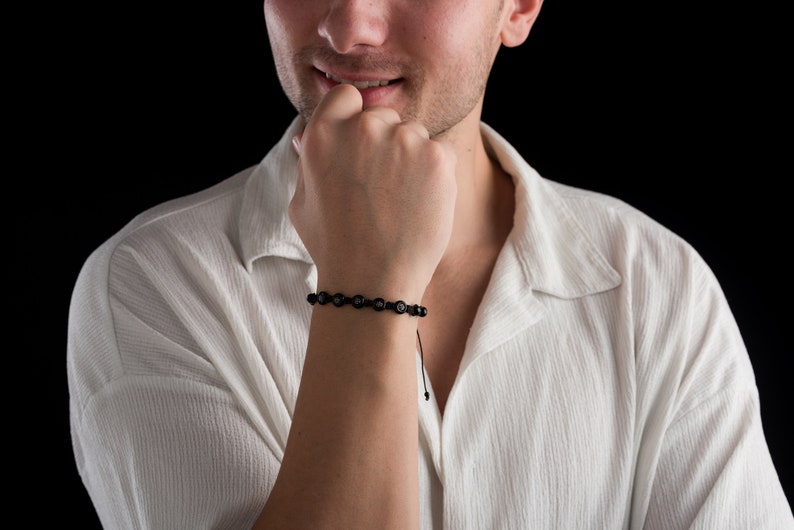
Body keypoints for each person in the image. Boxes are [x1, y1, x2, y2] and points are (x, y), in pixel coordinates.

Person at [66, 0, 793, 528]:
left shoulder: (658, 286)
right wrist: (368, 282)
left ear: (519, 8)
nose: (348, 27)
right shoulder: (149, 283)